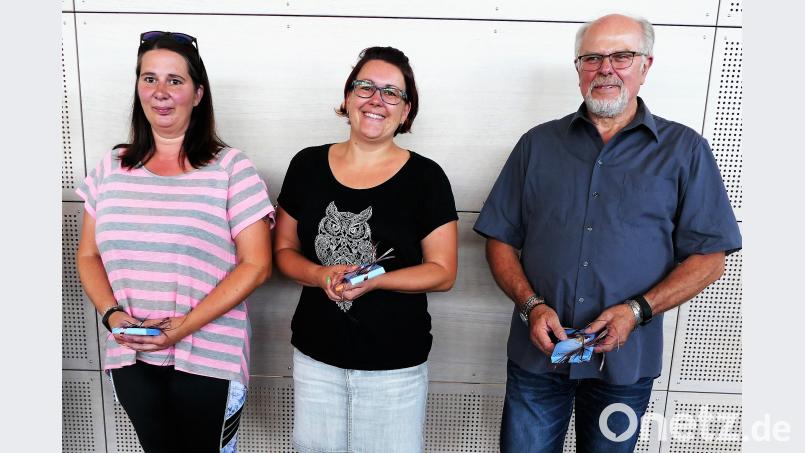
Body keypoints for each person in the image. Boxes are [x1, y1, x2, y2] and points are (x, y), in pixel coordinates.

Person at [474, 14, 742, 452]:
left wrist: (636, 311)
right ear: (578, 68)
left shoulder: (684, 150)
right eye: (593, 57)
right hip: (538, 359)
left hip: (625, 364)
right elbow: (500, 238)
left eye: (621, 56)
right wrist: (531, 306)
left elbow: (710, 259)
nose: (606, 68)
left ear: (645, 66)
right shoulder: (537, 145)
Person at [76, 31, 274, 453]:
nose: (160, 92)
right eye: (149, 79)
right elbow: (88, 255)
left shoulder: (230, 168)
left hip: (208, 355)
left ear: (198, 94)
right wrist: (111, 315)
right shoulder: (112, 167)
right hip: (130, 355)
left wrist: (183, 326)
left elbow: (256, 264)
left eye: (175, 81)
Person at [273, 46, 458, 452]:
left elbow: (443, 271)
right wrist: (321, 274)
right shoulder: (306, 166)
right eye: (365, 87)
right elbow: (283, 249)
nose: (377, 100)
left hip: (395, 366)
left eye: (392, 93)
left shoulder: (427, 178)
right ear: (347, 98)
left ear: (406, 111)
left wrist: (375, 281)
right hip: (315, 357)